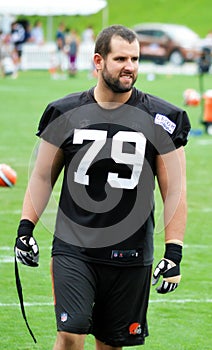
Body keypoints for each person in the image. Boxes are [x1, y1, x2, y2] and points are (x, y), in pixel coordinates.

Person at [14, 25, 191, 350]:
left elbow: (175, 190)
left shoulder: (162, 118)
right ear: (98, 60)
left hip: (132, 252)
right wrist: (25, 229)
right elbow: (42, 177)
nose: (130, 66)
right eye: (121, 58)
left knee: (111, 344)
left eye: (135, 58)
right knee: (70, 334)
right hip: (74, 248)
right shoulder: (64, 113)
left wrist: (174, 251)